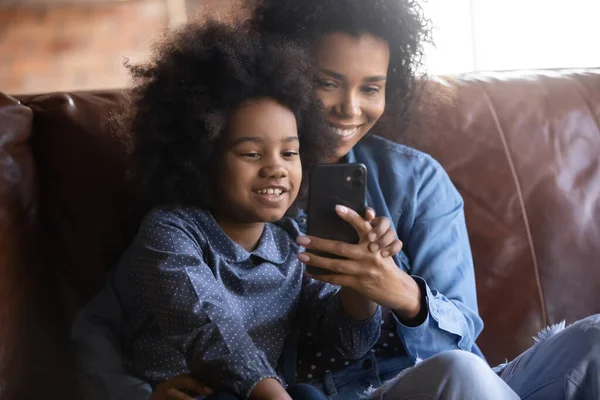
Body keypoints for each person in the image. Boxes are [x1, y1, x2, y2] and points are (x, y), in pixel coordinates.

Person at [72, 1, 600, 399]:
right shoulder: (194, 222)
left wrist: (392, 290)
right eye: (327, 83)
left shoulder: (415, 184)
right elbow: (121, 324)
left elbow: (464, 353)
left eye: (372, 87)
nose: (350, 108)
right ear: (288, 80)